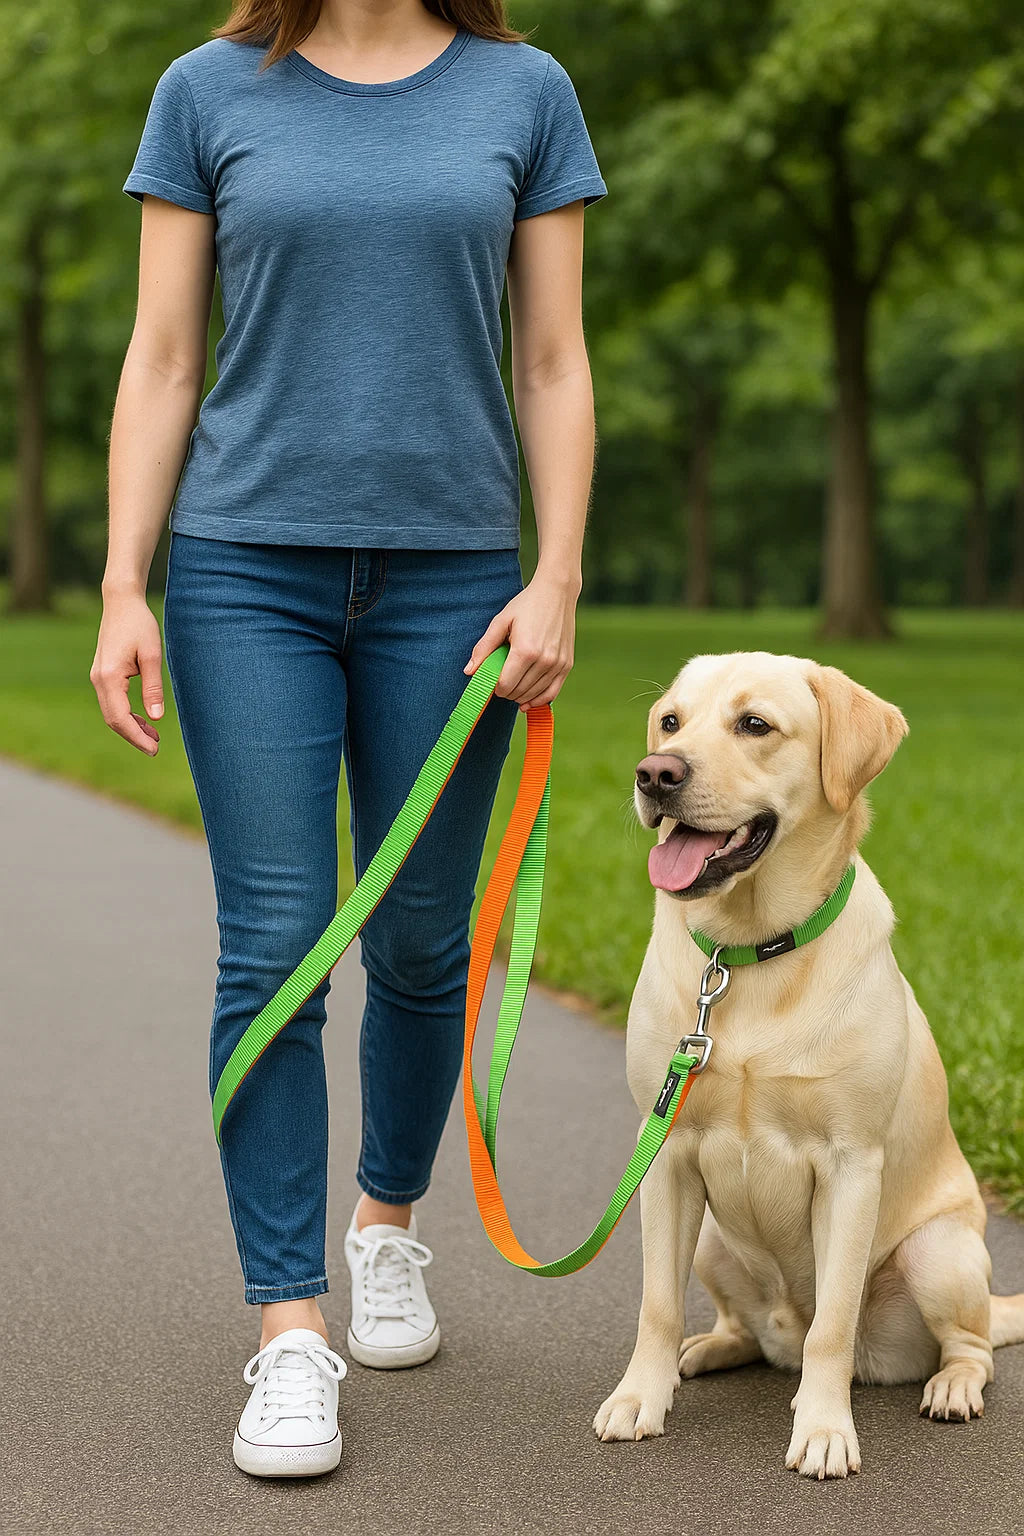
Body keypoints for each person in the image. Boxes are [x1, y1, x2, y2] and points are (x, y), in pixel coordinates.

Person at [90, 0, 606, 1479]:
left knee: (427, 940)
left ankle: (386, 1225)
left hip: (450, 577)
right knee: (274, 941)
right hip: (245, 563)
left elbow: (555, 359)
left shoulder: (527, 90)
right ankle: (288, 1328)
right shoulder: (205, 90)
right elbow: (164, 356)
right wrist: (127, 580)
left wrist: (554, 573)